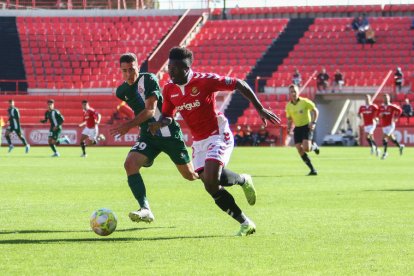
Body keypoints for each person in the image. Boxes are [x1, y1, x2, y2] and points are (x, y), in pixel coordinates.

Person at [150, 47, 280, 236]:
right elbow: (169, 115)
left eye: (174, 68)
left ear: (186, 69)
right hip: (199, 141)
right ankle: (245, 219)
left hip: (217, 134)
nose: (170, 72)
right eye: (169, 67)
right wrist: (159, 124)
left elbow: (239, 83)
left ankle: (243, 184)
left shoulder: (204, 81)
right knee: (210, 186)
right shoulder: (169, 89)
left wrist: (259, 108)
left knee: (212, 177)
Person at [110, 53, 199, 224]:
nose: (129, 74)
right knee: (130, 164)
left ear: (138, 67)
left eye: (132, 69)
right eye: (125, 71)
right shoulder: (121, 91)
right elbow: (138, 109)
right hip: (148, 136)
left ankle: (217, 178)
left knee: (189, 175)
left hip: (168, 133)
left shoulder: (149, 79)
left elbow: (151, 111)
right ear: (120, 71)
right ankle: (145, 209)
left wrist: (128, 125)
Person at [285, 84, 320, 176]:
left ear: (298, 92)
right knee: (299, 149)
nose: (293, 93)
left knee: (306, 148)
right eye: (291, 92)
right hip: (297, 128)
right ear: (289, 94)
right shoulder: (288, 106)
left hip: (306, 126)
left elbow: (315, 110)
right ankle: (312, 169)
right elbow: (289, 119)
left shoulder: (304, 102)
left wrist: (314, 122)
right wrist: (288, 128)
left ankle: (314, 147)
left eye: (295, 91)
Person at [378, 94, 404, 160]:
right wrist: (381, 115)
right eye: (384, 98)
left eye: (387, 98)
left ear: (389, 98)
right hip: (384, 125)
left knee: (384, 138)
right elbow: (379, 114)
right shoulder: (381, 107)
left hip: (391, 125)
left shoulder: (392, 106)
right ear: (383, 99)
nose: (385, 99)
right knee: (392, 139)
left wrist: (396, 117)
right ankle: (400, 146)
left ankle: (385, 153)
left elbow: (400, 110)